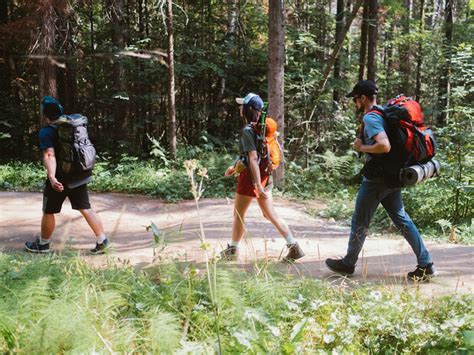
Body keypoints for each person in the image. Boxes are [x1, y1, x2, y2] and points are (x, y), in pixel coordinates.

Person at [325, 80, 437, 281]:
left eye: (355, 99)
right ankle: (425, 263)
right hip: (392, 177)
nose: (354, 103)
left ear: (363, 98)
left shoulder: (371, 118)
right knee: (402, 219)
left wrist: (362, 148)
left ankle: (348, 263)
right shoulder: (383, 112)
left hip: (377, 180)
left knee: (360, 221)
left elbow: (384, 146)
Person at [220, 93, 304, 263]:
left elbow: (252, 158)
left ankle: (232, 250)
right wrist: (234, 167)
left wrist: (256, 184)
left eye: (242, 105)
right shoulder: (262, 129)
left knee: (238, 214)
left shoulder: (248, 131)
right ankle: (294, 246)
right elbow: (251, 156)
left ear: (249, 109)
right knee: (269, 214)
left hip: (251, 179)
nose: (239, 107)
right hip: (266, 175)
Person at [25, 96, 108, 254]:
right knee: (86, 208)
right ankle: (102, 239)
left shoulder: (46, 132)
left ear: (45, 114)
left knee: (48, 211)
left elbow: (50, 155)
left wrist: (52, 177)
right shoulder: (71, 127)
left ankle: (43, 244)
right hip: (78, 175)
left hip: (60, 179)